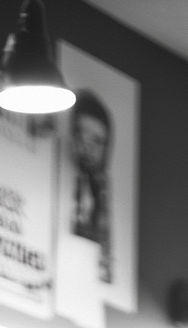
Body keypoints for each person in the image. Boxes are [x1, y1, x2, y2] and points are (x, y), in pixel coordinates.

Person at [70, 90, 113, 284]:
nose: (88, 147)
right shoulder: (65, 181)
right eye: (82, 135)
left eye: (97, 141)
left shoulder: (102, 194)